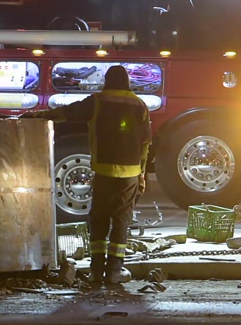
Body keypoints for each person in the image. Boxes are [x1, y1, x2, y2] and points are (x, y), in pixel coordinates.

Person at [20, 65, 151, 284]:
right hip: (130, 173)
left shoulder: (97, 101)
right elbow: (146, 143)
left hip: (103, 171)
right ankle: (115, 271)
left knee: (99, 218)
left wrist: (39, 115)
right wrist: (141, 174)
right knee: (121, 220)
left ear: (106, 81)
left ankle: (97, 270)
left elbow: (67, 113)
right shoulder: (139, 104)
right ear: (127, 82)